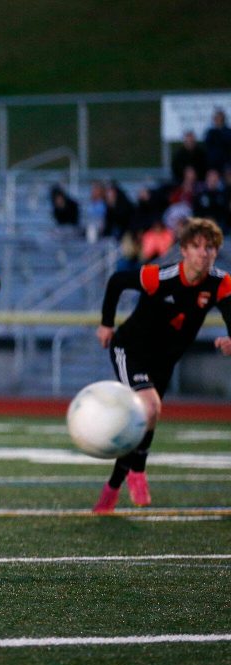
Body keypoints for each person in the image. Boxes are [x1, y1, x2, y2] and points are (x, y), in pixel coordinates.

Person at [92, 218, 231, 513]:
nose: (204, 253)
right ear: (183, 250)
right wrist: (106, 325)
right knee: (149, 408)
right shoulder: (161, 277)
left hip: (164, 360)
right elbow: (118, 282)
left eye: (210, 248)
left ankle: (112, 488)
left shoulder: (220, 283)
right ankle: (138, 471)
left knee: (143, 419)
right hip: (129, 350)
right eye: (197, 247)